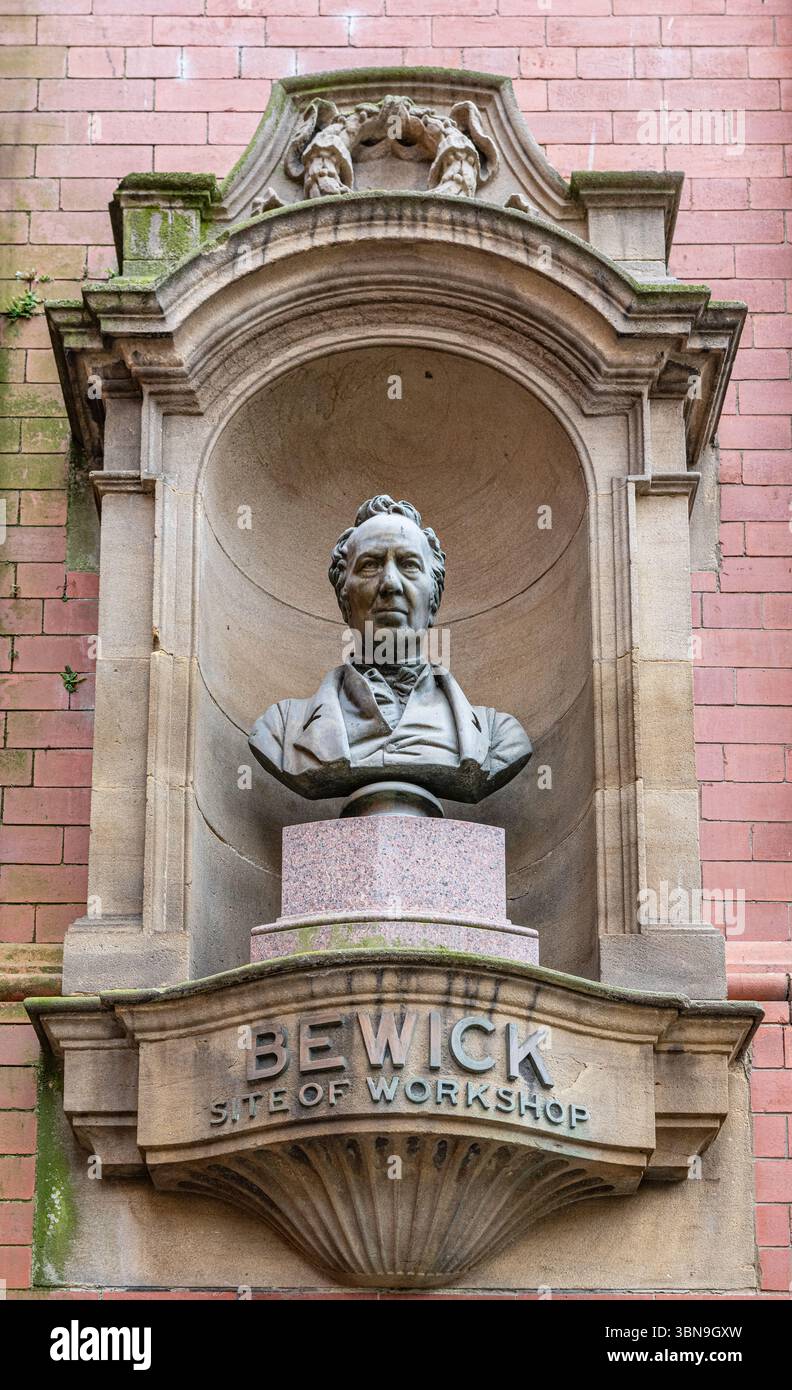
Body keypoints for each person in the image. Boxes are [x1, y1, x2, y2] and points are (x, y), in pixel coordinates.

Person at [249, 495, 532, 803]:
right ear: (344, 597)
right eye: (370, 565)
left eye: (409, 565)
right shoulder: (281, 728)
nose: (390, 584)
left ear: (433, 598)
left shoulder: (497, 736)